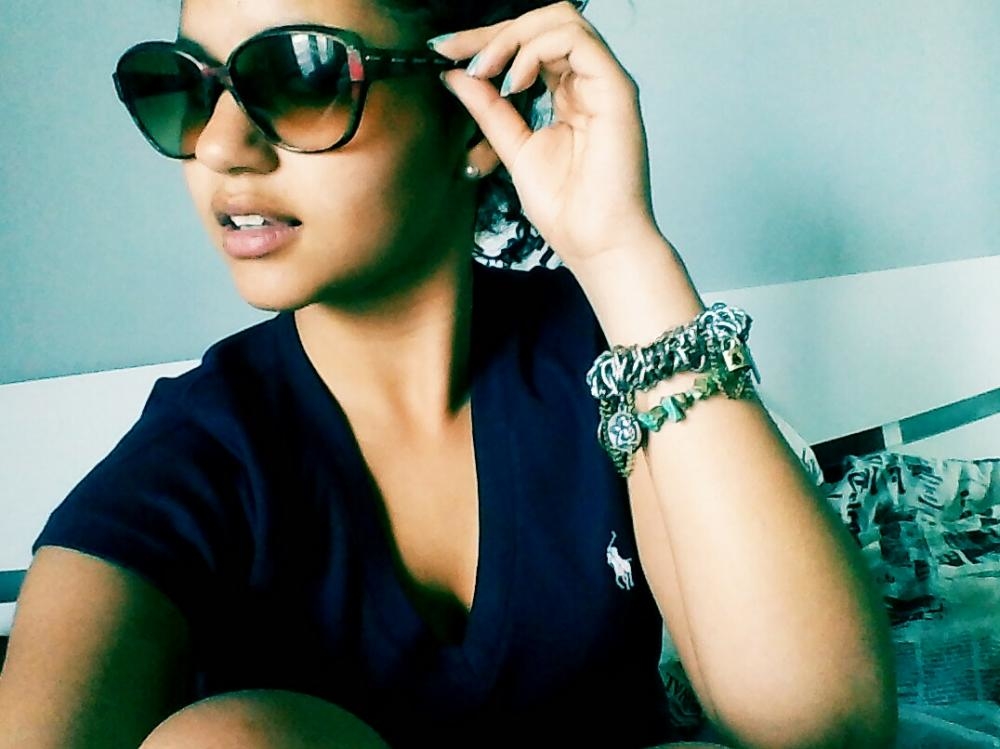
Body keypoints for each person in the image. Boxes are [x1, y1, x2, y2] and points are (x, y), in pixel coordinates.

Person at [0, 0, 898, 747]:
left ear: (471, 113)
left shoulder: (603, 355)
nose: (221, 147)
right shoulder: (188, 463)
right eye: (185, 88)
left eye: (301, 76)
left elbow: (826, 726)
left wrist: (621, 248)